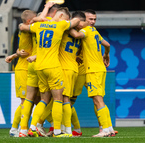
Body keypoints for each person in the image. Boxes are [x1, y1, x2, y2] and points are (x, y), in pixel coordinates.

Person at [19, 7, 80, 137]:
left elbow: (24, 27)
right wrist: (68, 21)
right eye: (65, 18)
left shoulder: (39, 26)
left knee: (44, 99)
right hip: (53, 66)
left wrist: (37, 19)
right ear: (62, 15)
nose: (66, 20)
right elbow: (75, 21)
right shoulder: (60, 25)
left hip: (39, 66)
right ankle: (58, 131)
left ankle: (31, 127)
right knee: (59, 98)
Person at [69, 9, 115, 137]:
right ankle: (109, 128)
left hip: (93, 70)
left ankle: (105, 130)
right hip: (100, 69)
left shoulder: (86, 30)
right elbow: (107, 44)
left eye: (94, 19)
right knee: (100, 100)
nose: (92, 22)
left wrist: (65, 26)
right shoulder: (94, 31)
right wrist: (106, 54)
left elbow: (77, 36)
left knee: (97, 100)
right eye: (90, 19)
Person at [5, 10, 37, 137]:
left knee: (34, 100)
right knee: (25, 101)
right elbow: (22, 26)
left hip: (32, 67)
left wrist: (15, 54)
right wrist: (16, 54)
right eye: (35, 19)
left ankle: (33, 127)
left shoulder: (31, 30)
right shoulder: (26, 29)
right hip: (23, 69)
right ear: (29, 21)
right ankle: (15, 128)